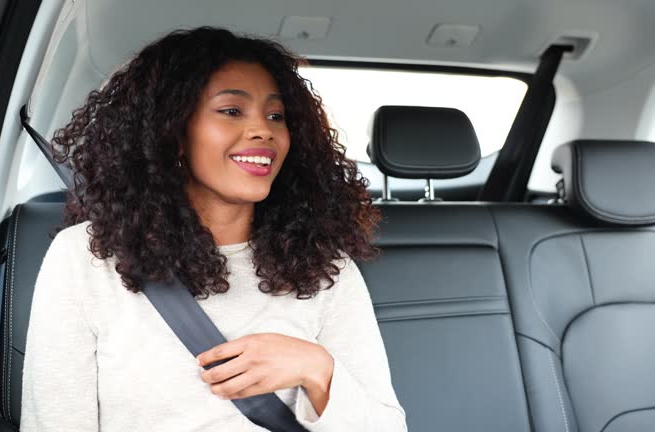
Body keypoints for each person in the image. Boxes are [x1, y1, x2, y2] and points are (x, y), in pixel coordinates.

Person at [20, 27, 407, 431]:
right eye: (232, 111)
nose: (264, 131)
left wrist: (316, 369)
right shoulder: (85, 260)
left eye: (276, 116)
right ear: (173, 132)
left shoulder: (326, 267)